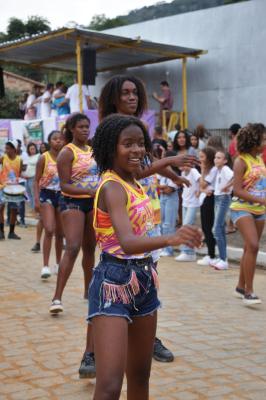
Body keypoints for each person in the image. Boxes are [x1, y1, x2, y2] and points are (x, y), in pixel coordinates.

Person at [89, 113, 202, 400]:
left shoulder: (132, 179)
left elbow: (144, 170)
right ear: (110, 148)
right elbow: (126, 242)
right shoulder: (112, 186)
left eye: (140, 143)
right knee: (110, 385)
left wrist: (169, 164)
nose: (137, 150)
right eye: (127, 144)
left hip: (145, 280)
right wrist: (171, 238)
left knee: (140, 375)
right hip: (113, 284)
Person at [230, 123, 266, 306]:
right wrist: (261, 200)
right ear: (254, 140)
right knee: (252, 245)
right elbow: (236, 190)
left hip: (260, 211)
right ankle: (249, 293)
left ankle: (240, 286)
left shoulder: (259, 159)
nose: (265, 141)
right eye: (263, 138)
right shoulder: (240, 161)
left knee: (248, 248)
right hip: (241, 208)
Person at [34, 131, 64, 279]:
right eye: (54, 139)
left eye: (60, 139)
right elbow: (36, 180)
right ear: (49, 141)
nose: (58, 141)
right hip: (47, 194)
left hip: (62, 195)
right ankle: (45, 266)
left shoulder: (66, 157)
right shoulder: (43, 158)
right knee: (49, 229)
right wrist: (36, 199)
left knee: (60, 233)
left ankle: (58, 264)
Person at [211, 150, 234, 270]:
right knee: (220, 228)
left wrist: (227, 186)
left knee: (216, 229)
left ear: (225, 160)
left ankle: (223, 259)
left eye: (219, 158)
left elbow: (235, 177)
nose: (216, 159)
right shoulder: (219, 170)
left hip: (223, 198)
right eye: (215, 157)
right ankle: (222, 257)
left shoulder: (225, 169)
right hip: (217, 197)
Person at [175, 165, 201, 262]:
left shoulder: (193, 171)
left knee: (186, 226)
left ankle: (186, 252)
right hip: (185, 201)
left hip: (193, 203)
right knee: (187, 226)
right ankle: (191, 252)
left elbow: (200, 179)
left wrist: (199, 190)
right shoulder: (183, 173)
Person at [197, 147, 218, 266]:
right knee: (205, 227)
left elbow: (203, 184)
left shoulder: (213, 170)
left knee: (208, 227)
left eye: (202, 157)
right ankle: (210, 254)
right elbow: (201, 187)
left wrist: (203, 169)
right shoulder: (207, 170)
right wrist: (203, 190)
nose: (200, 159)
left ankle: (212, 255)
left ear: (208, 158)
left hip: (210, 199)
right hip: (205, 198)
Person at [0, 140, 23, 240]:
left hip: (14, 188)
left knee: (14, 210)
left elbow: (20, 173)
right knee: (0, 208)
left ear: (14, 149)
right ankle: (1, 232)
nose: (6, 150)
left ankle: (11, 232)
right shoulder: (3, 158)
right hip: (2, 186)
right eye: (5, 148)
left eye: (8, 148)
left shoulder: (19, 160)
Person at [23, 142, 39, 210]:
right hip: (27, 179)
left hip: (33, 179)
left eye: (33, 148)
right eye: (31, 149)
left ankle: (37, 211)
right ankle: (33, 209)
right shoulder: (28, 157)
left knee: (34, 195)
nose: (32, 150)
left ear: (36, 149)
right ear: (28, 150)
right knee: (30, 195)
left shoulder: (38, 156)